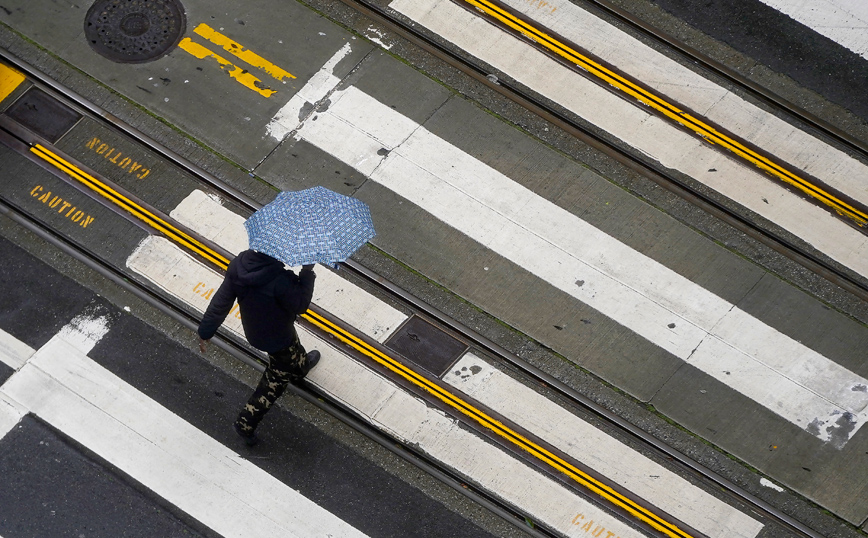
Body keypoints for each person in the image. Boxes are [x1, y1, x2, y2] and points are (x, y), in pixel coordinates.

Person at [197, 249, 320, 446]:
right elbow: (300, 305)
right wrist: (307, 272)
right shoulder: (280, 279)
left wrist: (205, 332)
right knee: (274, 382)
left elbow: (221, 302)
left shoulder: (239, 265)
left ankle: (301, 367)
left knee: (292, 354)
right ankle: (245, 423)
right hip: (278, 336)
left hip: (254, 331)